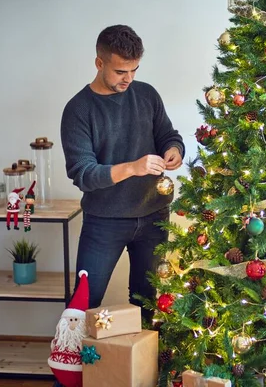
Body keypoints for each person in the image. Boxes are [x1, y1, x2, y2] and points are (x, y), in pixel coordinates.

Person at [61, 25, 184, 322]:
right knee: (84, 301)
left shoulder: (146, 95)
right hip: (104, 221)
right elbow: (83, 173)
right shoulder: (78, 109)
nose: (128, 79)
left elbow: (169, 134)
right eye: (120, 71)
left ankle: (140, 367)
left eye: (134, 70)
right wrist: (133, 167)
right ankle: (74, 367)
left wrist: (174, 150)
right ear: (99, 63)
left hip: (154, 215)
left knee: (146, 300)